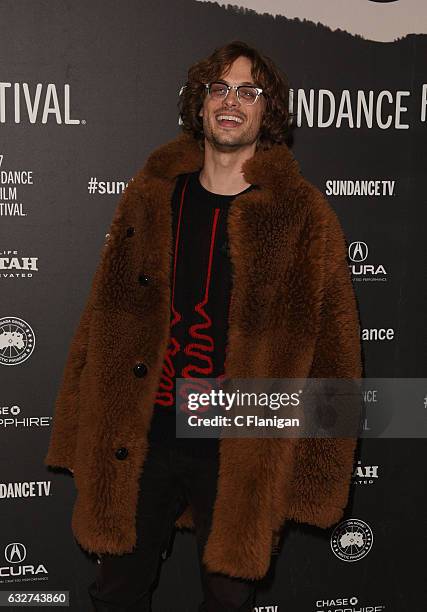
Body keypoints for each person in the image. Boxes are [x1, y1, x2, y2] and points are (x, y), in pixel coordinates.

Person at [44, 40, 362, 612]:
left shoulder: (304, 215)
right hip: (141, 437)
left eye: (249, 90)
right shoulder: (151, 198)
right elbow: (102, 320)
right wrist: (73, 432)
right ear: (200, 104)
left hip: (240, 447)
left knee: (227, 599)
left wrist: (315, 477)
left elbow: (336, 352)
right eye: (219, 88)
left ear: (269, 112)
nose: (232, 100)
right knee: (117, 592)